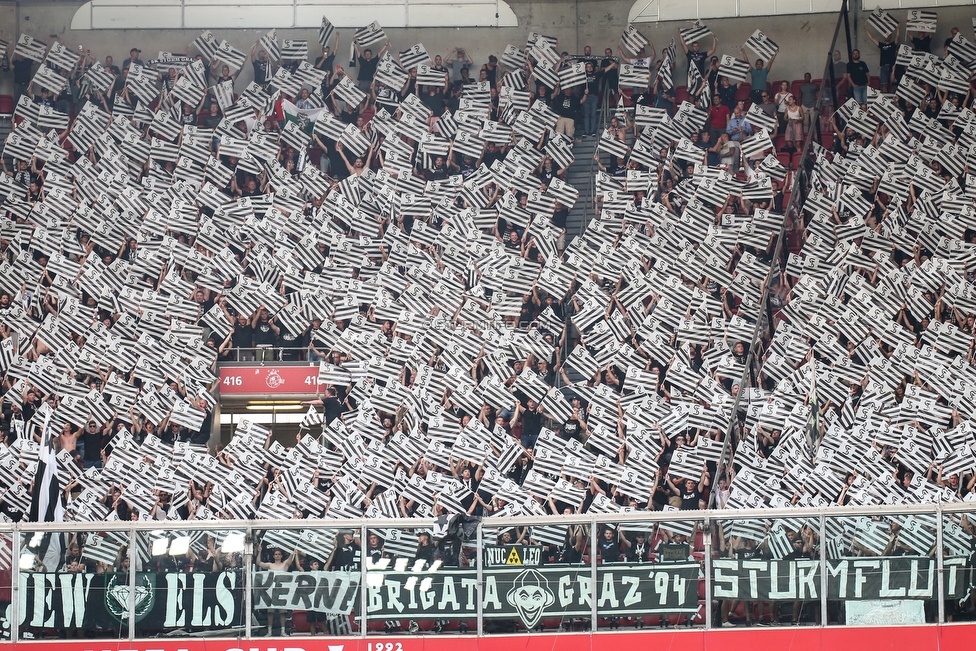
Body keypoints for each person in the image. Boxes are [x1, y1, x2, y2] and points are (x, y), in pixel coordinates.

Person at [255, 546, 299, 635]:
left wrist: (293, 552)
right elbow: (258, 563)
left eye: (279, 554)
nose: (277, 556)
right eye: (276, 554)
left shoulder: (285, 564)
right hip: (272, 591)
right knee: (270, 612)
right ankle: (269, 632)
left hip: (282, 591)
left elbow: (290, 560)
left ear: (282, 556)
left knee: (283, 613)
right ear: (274, 556)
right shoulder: (270, 565)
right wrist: (259, 552)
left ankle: (283, 631)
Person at [863, 21, 898, 92]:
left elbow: (897, 37)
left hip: (892, 66)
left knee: (892, 84)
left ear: (890, 37)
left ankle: (891, 99)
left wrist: (898, 28)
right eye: (885, 36)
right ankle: (885, 99)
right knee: (884, 84)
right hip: (883, 67)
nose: (887, 37)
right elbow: (872, 38)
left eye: (888, 35)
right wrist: (866, 30)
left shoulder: (893, 44)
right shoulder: (882, 45)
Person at [797, 72, 819, 137]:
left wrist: (816, 105)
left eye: (808, 76)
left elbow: (819, 95)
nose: (807, 78)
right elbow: (800, 97)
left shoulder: (815, 86)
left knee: (813, 123)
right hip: (804, 105)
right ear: (804, 78)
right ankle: (806, 139)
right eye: (806, 76)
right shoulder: (801, 86)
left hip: (813, 105)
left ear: (810, 77)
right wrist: (799, 107)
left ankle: (816, 138)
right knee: (805, 123)